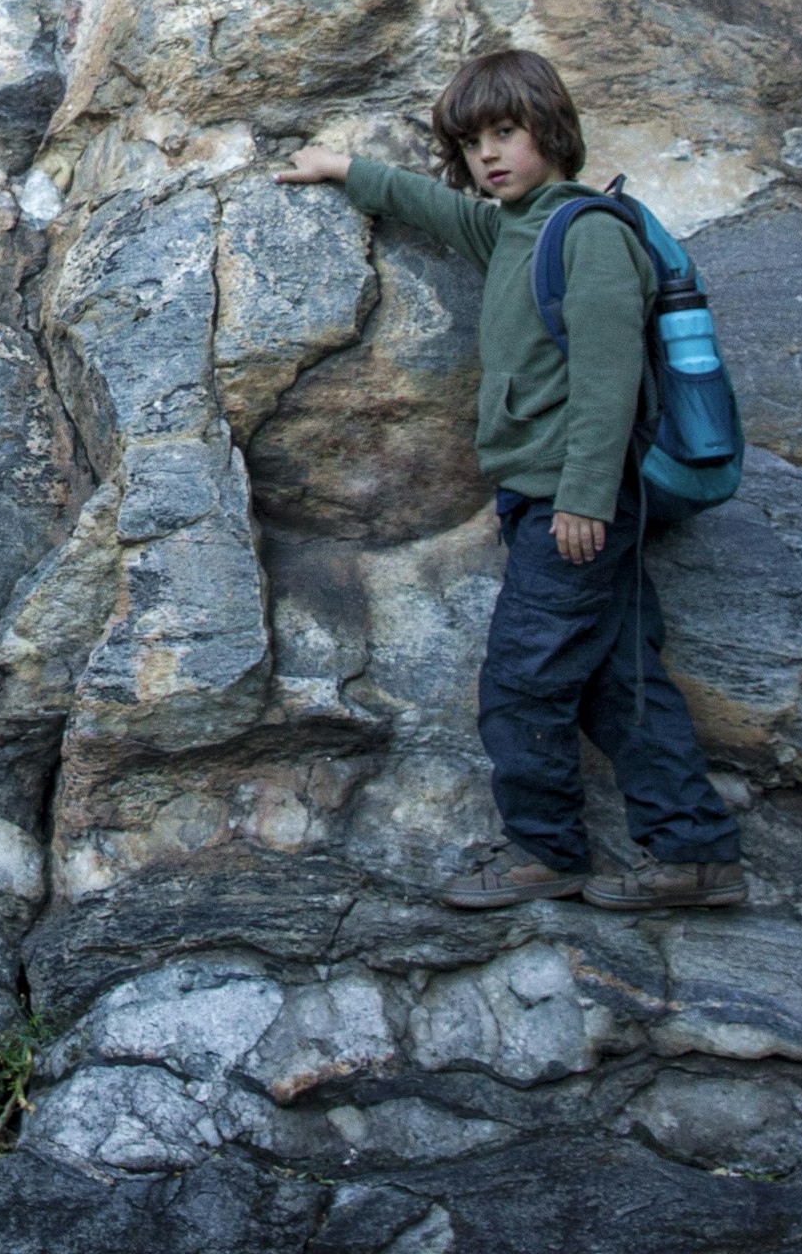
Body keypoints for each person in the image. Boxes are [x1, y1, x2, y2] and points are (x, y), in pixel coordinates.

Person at [271, 49, 747, 911]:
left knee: (522, 683)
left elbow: (610, 382)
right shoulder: (515, 227)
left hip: (579, 504)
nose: (488, 155)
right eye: (472, 141)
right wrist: (344, 168)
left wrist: (581, 498)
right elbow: (437, 208)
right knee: (621, 681)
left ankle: (544, 853)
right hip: (558, 500)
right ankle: (697, 855)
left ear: (551, 132)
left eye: (506, 133)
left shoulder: (590, 234)